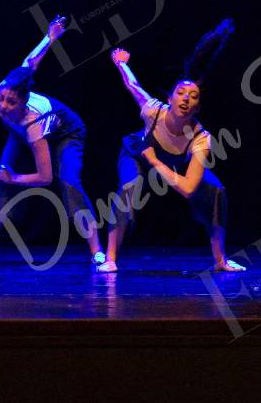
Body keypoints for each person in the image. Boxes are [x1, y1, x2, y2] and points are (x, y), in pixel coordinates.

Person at [103, 22, 245, 273]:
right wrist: (121, 63)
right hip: (138, 154)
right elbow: (133, 86)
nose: (186, 98)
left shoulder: (201, 138)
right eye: (180, 93)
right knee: (128, 187)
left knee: (216, 191)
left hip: (166, 161)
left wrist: (156, 162)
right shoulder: (154, 111)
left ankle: (220, 260)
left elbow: (189, 189)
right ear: (170, 98)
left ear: (197, 108)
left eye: (193, 96)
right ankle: (110, 258)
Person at [0, 16, 104, 267]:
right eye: (1, 99)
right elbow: (29, 63)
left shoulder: (33, 121)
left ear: (23, 101)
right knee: (0, 178)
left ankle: (97, 251)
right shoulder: (6, 88)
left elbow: (45, 177)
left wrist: (16, 179)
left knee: (69, 181)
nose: (3, 106)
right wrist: (50, 37)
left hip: (66, 133)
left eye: (11, 102)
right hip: (20, 133)